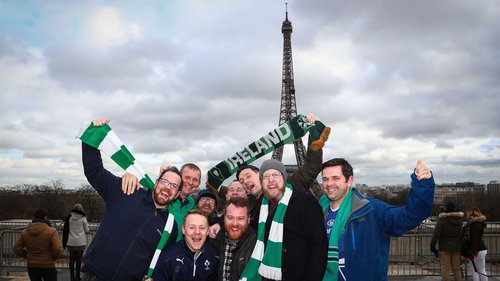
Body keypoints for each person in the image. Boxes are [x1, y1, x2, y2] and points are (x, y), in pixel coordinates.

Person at [81, 119, 182, 281]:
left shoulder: (171, 227)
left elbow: (162, 260)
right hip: (94, 275)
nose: (167, 188)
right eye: (164, 182)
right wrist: (93, 137)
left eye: (174, 186)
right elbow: (95, 172)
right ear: (156, 183)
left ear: (177, 194)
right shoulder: (127, 190)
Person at [319, 158, 435, 281]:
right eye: (325, 179)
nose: (329, 183)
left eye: (335, 178)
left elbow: (408, 216)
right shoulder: (318, 211)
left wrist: (423, 186)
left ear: (349, 181)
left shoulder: (372, 210)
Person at [240, 159, 328, 281]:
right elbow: (245, 224)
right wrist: (219, 223)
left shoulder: (306, 202)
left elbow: (319, 247)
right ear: (261, 182)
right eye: (266, 176)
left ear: (284, 178)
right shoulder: (262, 206)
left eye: (275, 174)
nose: (271, 179)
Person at [122, 162, 202, 241]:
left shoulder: (192, 203)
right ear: (179, 177)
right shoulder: (163, 197)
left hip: (175, 250)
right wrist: (130, 175)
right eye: (187, 177)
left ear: (199, 183)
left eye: (195, 180)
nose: (190, 182)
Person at [148, 210, 218, 281]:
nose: (197, 232)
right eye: (192, 227)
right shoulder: (167, 258)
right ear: (183, 229)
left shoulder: (213, 254)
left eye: (202, 228)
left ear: (208, 231)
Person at [210, 197, 256, 281]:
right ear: (224, 218)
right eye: (230, 218)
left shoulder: (257, 243)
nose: (235, 223)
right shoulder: (214, 239)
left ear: (248, 219)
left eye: (240, 218)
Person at [13, 208, 62, 281]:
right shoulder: (52, 231)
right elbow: (57, 248)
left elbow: (16, 248)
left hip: (32, 265)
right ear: (45, 217)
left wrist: (28, 255)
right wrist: (53, 257)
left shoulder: (25, 232)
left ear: (34, 217)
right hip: (48, 264)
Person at [430, 202, 463, 281]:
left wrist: (432, 246)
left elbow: (436, 234)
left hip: (444, 247)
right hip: (456, 247)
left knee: (445, 268)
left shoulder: (442, 221)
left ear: (446, 210)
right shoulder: (459, 221)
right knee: (457, 268)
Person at [63, 204, 90, 281]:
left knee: (71, 260)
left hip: (70, 241)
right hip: (80, 242)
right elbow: (87, 230)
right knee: (78, 260)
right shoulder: (83, 218)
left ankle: (72, 277)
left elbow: (66, 229)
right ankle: (77, 276)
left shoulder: (69, 218)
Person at [463, 207, 488, 281]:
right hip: (480, 249)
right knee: (481, 270)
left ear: (471, 214)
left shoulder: (474, 225)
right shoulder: (478, 224)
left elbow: (475, 240)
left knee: (476, 271)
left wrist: (473, 252)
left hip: (476, 250)